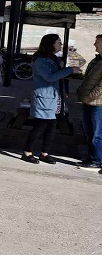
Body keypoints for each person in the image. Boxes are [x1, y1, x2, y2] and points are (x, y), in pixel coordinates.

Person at [23, 34, 82, 164]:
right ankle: (27, 152)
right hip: (44, 97)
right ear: (50, 43)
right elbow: (49, 77)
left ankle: (44, 153)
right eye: (58, 42)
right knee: (39, 126)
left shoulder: (52, 58)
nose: (61, 44)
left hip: (55, 97)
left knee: (51, 127)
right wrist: (69, 70)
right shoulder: (40, 60)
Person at [77, 34, 102, 171]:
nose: (94, 44)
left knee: (97, 133)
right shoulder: (97, 59)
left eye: (97, 42)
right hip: (88, 101)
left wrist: (89, 97)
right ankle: (92, 157)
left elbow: (100, 86)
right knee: (89, 131)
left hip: (97, 103)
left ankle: (97, 160)